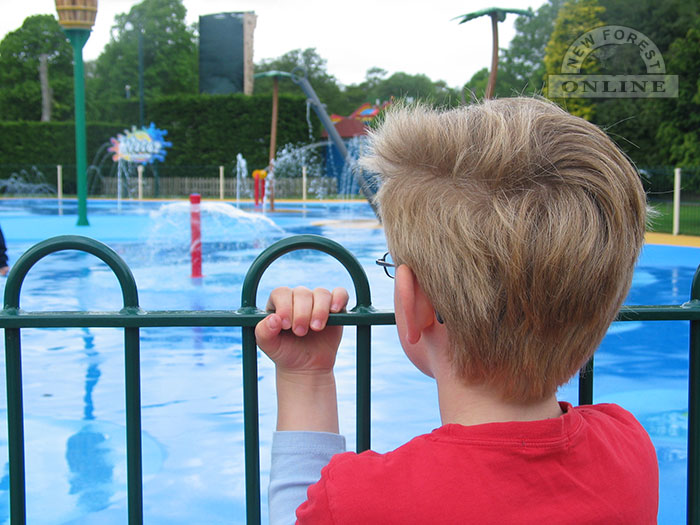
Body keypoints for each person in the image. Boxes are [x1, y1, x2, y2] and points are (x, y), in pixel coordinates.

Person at [255, 97, 659, 524]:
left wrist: (305, 377)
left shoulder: (364, 502)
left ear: (416, 304)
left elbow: (297, 514)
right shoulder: (629, 448)